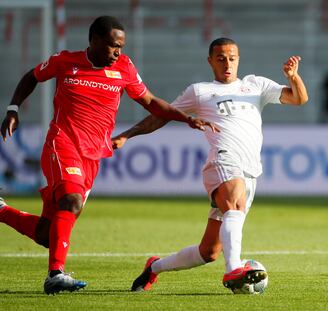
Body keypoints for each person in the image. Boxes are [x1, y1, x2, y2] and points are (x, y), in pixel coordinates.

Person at [0, 16, 217, 295]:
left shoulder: (124, 67)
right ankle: (56, 274)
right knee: (72, 200)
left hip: (94, 155)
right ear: (94, 41)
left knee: (48, 234)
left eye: (122, 47)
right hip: (63, 144)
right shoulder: (66, 61)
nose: (119, 53)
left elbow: (149, 101)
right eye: (114, 46)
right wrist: (13, 108)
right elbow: (32, 75)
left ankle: (2, 210)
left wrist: (185, 118)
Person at [111, 37, 308, 292]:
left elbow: (299, 99)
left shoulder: (255, 85)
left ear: (239, 59)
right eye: (221, 58)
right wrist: (128, 134)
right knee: (234, 204)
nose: (227, 64)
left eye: (232, 58)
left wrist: (293, 76)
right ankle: (234, 269)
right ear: (210, 61)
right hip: (223, 160)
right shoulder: (200, 91)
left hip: (250, 169)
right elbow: (162, 115)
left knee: (209, 251)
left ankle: (154, 267)